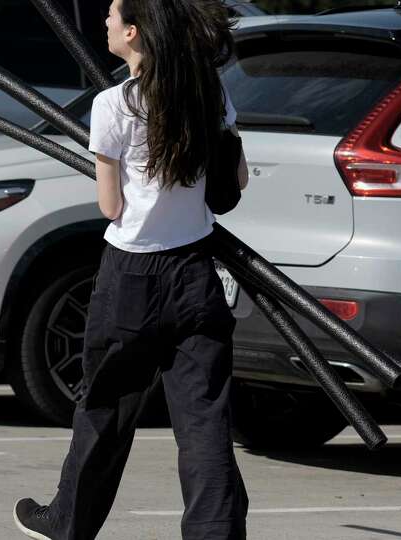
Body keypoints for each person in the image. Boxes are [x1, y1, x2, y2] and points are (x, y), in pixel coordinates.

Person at [13, 0, 250, 538]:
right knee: (204, 419)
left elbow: (111, 207)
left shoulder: (112, 103)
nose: (105, 22)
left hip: (130, 277)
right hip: (195, 269)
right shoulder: (208, 92)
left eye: (112, 16)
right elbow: (235, 180)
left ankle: (68, 522)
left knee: (105, 407)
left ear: (135, 33)